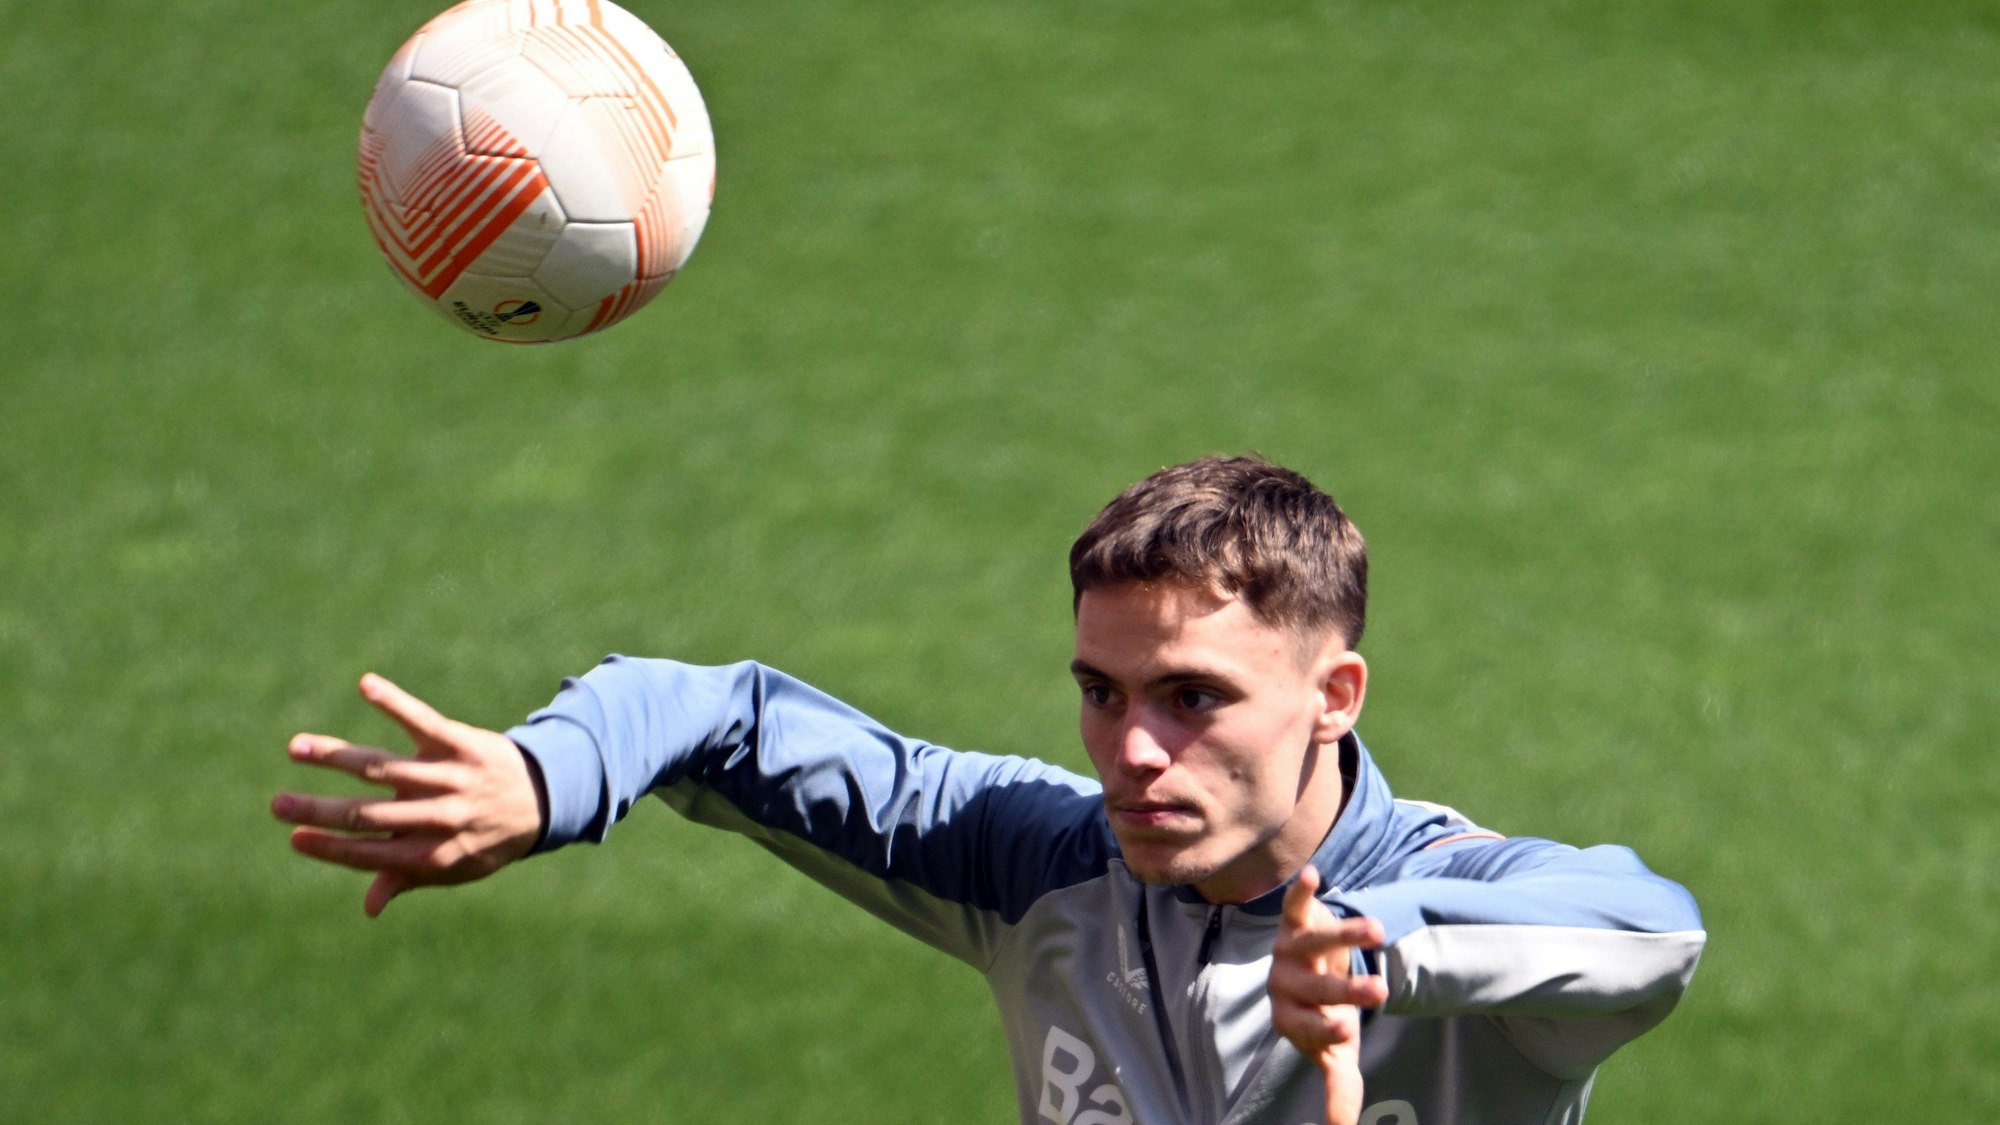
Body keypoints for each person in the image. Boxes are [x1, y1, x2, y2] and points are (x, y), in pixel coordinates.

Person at [273, 455, 1704, 1125]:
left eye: (1195, 697)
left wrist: (1394, 955)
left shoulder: (1467, 912)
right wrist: (546, 771)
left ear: (1335, 696)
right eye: (1102, 691)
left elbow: (1650, 927)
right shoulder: (1041, 863)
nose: (1133, 751)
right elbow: (723, 715)